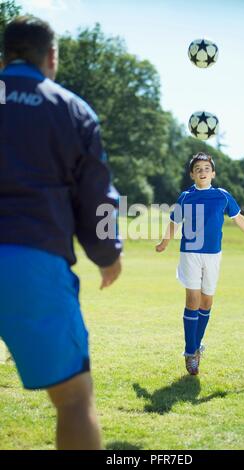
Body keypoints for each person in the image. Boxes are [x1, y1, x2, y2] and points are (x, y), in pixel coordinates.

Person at [0, 16, 122, 450]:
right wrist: (108, 254)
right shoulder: (70, 108)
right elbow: (100, 198)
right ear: (51, 57)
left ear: (4, 56)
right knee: (73, 400)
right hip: (30, 261)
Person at [156, 152, 244, 375]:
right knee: (193, 299)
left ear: (213, 173)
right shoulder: (185, 196)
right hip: (190, 254)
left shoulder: (222, 196)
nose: (202, 172)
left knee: (206, 302)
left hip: (213, 255)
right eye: (198, 169)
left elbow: (239, 218)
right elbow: (174, 221)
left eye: (206, 168)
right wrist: (165, 242)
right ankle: (189, 352)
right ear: (192, 175)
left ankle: (196, 346)